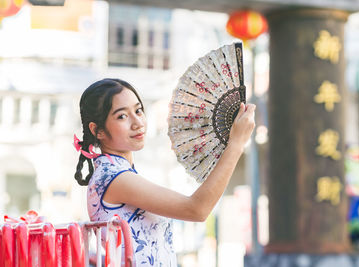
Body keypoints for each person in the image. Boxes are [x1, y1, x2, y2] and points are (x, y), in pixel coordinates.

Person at [74, 78, 256, 266]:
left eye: (138, 111)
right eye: (122, 116)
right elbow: (197, 209)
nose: (137, 122)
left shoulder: (114, 172)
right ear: (98, 131)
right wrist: (236, 144)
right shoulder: (113, 178)